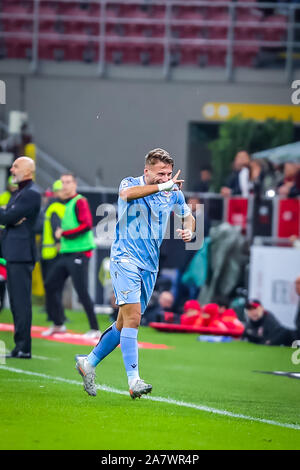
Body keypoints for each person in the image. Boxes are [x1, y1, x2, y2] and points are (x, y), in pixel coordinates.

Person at [75, 147, 195, 399]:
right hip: (124, 258)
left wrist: (189, 230)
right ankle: (134, 381)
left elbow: (187, 217)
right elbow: (126, 194)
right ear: (147, 170)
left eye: (169, 173)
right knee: (134, 319)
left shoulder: (172, 193)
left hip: (149, 265)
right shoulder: (131, 183)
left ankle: (89, 362)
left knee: (122, 324)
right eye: (161, 173)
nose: (166, 177)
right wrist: (164, 186)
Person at [42, 173, 101, 338]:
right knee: (50, 283)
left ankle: (95, 329)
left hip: (79, 252)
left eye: (68, 182)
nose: (64, 185)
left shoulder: (79, 201)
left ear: (74, 184)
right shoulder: (67, 203)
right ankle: (58, 324)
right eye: (62, 182)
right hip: (67, 253)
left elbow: (87, 225)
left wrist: (64, 234)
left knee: (81, 291)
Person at [0, 157, 41, 358]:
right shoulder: (22, 193)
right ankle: (20, 346)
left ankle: (24, 347)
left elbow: (7, 218)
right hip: (15, 253)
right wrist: (10, 216)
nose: (12, 169)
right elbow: (9, 217)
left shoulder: (30, 194)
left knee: (21, 302)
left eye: (16, 166)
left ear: (27, 171)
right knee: (16, 302)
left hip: (21, 254)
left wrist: (9, 216)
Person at [40, 179, 66, 321]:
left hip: (47, 253)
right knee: (56, 287)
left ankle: (52, 315)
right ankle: (58, 316)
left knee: (51, 286)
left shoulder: (50, 206)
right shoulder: (56, 206)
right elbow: (55, 227)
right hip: (54, 253)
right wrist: (58, 244)